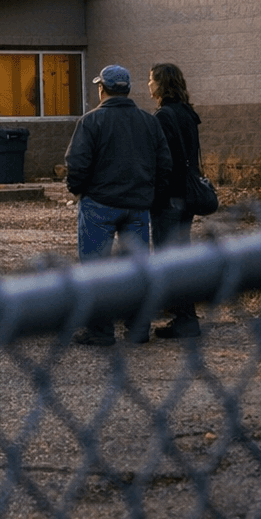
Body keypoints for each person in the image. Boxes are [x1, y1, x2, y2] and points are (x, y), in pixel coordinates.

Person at [63, 64, 172, 346]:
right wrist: (151, 196)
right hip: (137, 206)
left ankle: (100, 330)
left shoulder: (90, 121)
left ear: (102, 88)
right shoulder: (149, 122)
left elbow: (77, 164)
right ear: (128, 89)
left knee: (96, 269)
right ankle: (138, 329)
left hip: (99, 204)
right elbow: (164, 164)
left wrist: (78, 189)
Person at [149, 62, 204, 339]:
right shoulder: (188, 113)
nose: (149, 85)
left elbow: (162, 162)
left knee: (169, 258)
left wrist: (155, 195)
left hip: (169, 197)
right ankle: (184, 314)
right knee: (182, 255)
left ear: (162, 84)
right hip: (188, 196)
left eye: (151, 80)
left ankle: (184, 318)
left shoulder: (162, 116)